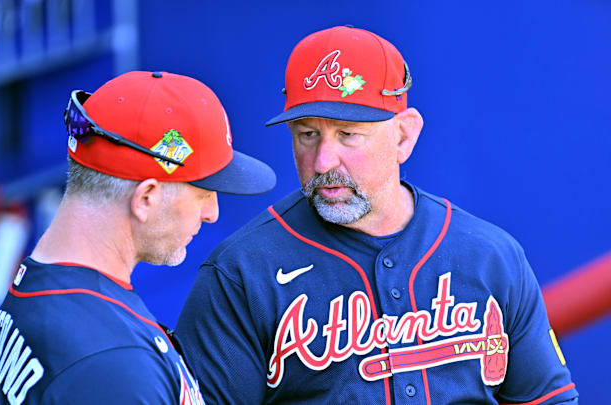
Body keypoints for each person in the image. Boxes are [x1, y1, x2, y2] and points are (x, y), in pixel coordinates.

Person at [176, 26, 579, 404]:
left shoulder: (491, 256)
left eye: (348, 134)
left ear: (404, 136)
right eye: (307, 134)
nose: (322, 160)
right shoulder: (241, 272)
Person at [0, 71, 276, 404]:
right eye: (203, 192)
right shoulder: (113, 365)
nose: (212, 212)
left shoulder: (46, 286)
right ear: (146, 198)